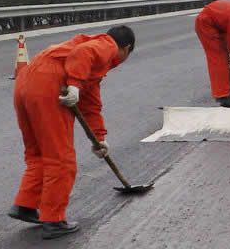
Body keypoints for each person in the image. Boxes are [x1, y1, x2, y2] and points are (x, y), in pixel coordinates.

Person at [8, 26, 135, 240]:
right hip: (49, 85)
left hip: (26, 83)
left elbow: (91, 105)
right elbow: (83, 54)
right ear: (126, 48)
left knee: (38, 153)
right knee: (61, 159)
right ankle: (54, 220)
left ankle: (26, 204)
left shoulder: (91, 66)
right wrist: (74, 84)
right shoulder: (108, 45)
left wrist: (99, 138)